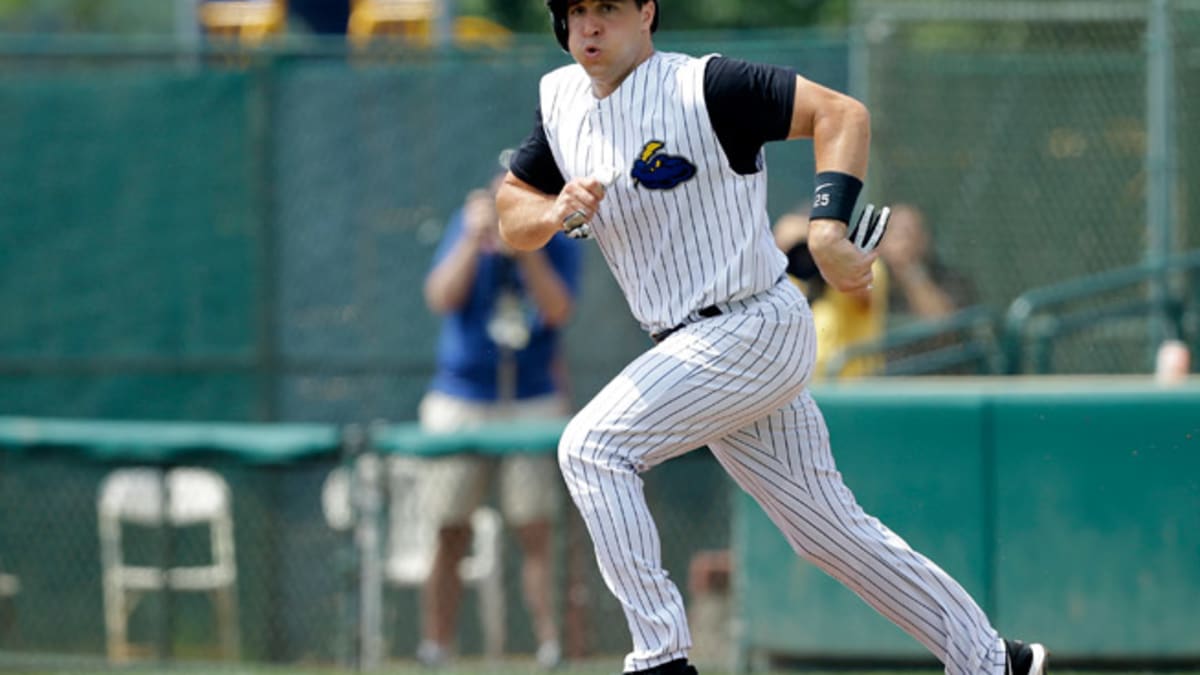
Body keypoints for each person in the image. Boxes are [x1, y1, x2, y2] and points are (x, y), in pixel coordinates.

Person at [494, 2, 1048, 675]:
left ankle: (661, 657)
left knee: (593, 448)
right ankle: (994, 661)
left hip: (752, 322)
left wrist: (826, 229)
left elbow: (840, 114)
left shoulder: (704, 86)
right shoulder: (559, 98)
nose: (588, 25)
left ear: (646, 11)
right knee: (829, 533)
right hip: (690, 344)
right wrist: (551, 210)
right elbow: (510, 210)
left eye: (607, 7)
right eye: (576, 10)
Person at [415, 167, 581, 669]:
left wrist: (525, 249)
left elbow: (557, 310)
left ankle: (550, 647)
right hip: (462, 398)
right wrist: (473, 238)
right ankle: (436, 646)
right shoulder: (467, 227)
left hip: (529, 400)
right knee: (449, 528)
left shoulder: (560, 234)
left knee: (535, 527)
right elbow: (441, 296)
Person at [774, 207, 888, 378]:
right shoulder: (790, 274)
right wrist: (786, 250)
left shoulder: (859, 266)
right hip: (801, 386)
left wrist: (826, 251)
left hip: (852, 387)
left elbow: (862, 293)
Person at [878, 203, 976, 325]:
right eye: (892, 231)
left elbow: (943, 327)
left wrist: (907, 269)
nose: (898, 240)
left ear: (923, 240)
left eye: (907, 233)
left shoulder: (949, 279)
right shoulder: (868, 276)